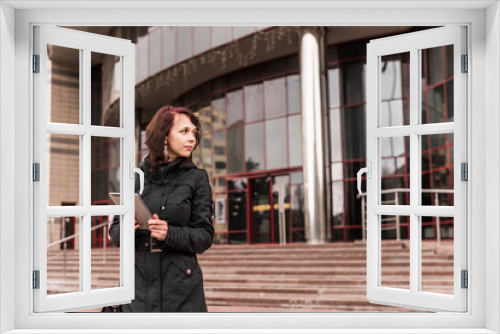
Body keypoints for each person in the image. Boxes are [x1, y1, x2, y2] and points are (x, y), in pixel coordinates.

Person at [109, 106, 215, 312]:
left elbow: (205, 235)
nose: (191, 138)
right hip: (137, 286)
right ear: (164, 136)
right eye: (184, 131)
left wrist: (170, 233)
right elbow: (114, 233)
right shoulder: (136, 176)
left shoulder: (197, 178)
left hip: (181, 288)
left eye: (194, 132)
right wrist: (127, 227)